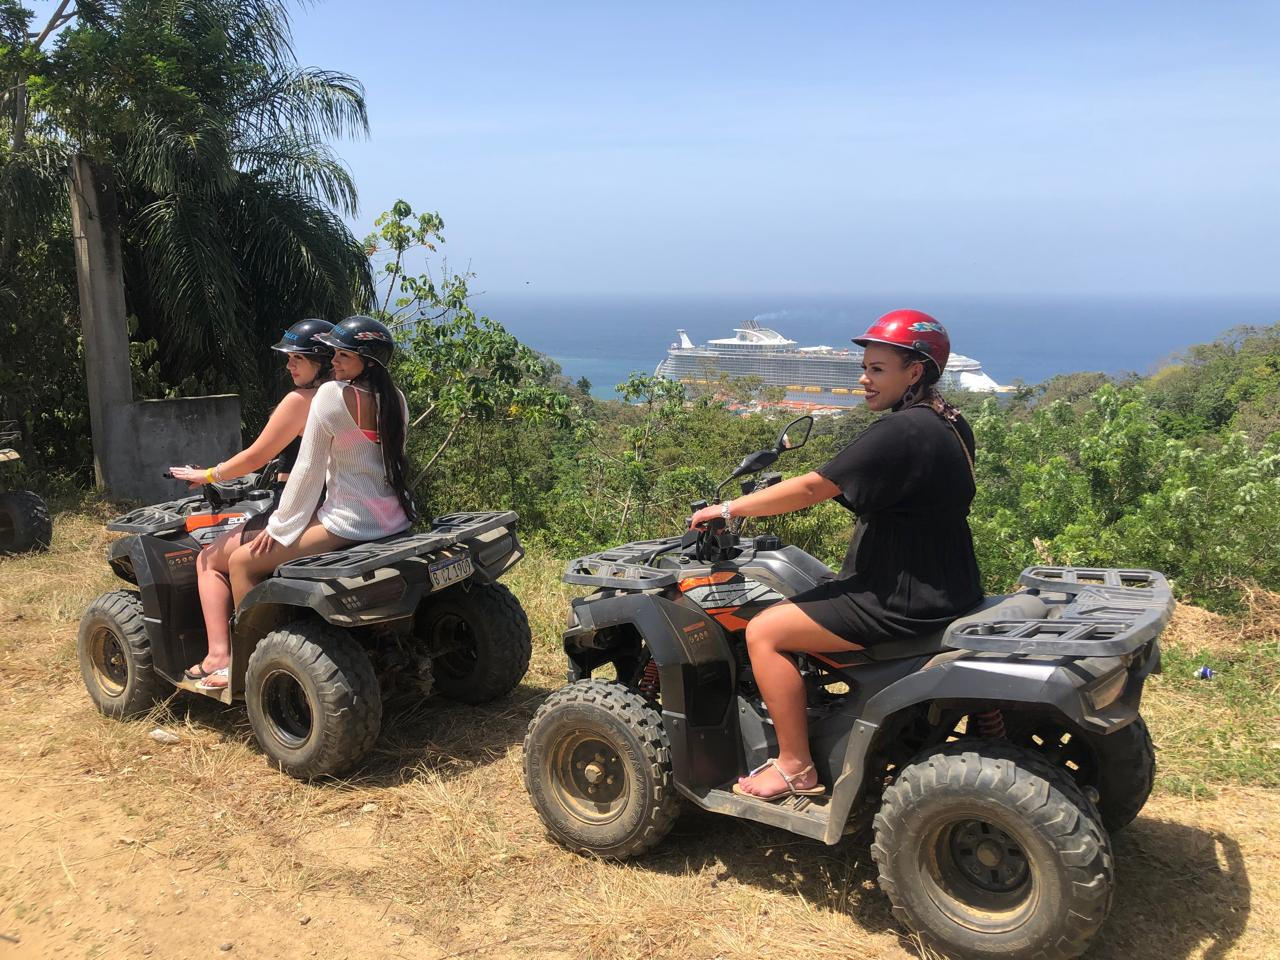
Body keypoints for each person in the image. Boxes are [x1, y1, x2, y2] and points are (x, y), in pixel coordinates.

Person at [689, 309, 983, 801]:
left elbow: (813, 488)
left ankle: (794, 765)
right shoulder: (949, 423)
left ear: (915, 372)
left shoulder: (900, 432)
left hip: (898, 599)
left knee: (764, 631)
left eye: (878, 369)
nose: (864, 379)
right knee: (810, 592)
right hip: (948, 584)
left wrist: (729, 508)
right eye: (864, 367)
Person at [214, 316, 416, 688]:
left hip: (348, 525)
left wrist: (279, 528)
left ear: (367, 362)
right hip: (394, 519)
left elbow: (308, 469)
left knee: (242, 562)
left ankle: (258, 669)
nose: (333, 361)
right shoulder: (396, 400)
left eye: (343, 355)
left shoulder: (331, 396)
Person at [170, 318, 335, 686]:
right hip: (335, 506)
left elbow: (255, 457)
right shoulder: (348, 394)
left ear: (321, 362)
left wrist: (208, 475)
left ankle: (220, 656)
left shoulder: (301, 401)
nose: (289, 364)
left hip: (296, 508)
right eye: (289, 358)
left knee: (209, 560)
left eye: (298, 358)